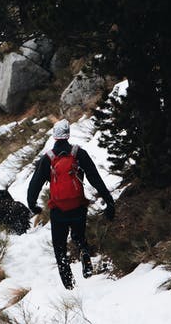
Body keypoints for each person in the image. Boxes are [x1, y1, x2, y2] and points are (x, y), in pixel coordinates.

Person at [27, 119, 115, 289]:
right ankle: (84, 251)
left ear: (54, 136)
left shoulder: (48, 159)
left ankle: (69, 285)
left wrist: (33, 205)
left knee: (59, 248)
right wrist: (109, 201)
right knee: (79, 236)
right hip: (78, 206)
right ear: (68, 135)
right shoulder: (78, 154)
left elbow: (35, 184)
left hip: (58, 210)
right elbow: (95, 178)